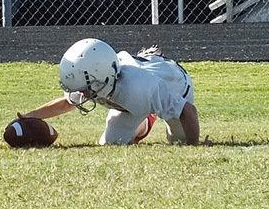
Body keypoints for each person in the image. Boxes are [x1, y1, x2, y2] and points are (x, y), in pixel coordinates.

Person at [19, 38, 199, 146]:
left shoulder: (141, 88)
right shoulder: (94, 79)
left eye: (84, 89)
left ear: (102, 76)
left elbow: (188, 111)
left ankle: (149, 113)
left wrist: (194, 145)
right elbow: (67, 103)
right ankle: (144, 122)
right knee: (111, 143)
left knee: (180, 142)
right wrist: (29, 116)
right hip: (133, 96)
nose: (82, 94)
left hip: (175, 83)